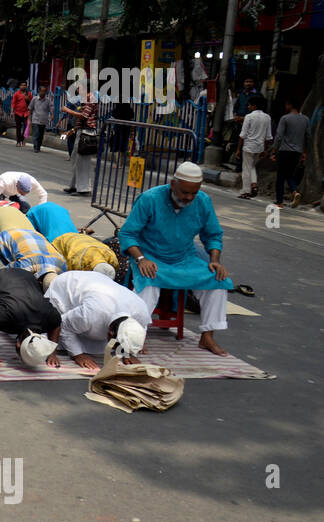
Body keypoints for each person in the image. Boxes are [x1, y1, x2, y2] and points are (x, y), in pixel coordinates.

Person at [119, 162, 235, 355]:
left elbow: (213, 235)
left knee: (218, 280)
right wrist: (141, 259)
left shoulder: (203, 201)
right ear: (173, 184)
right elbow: (127, 234)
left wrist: (215, 260)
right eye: (184, 193)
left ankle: (207, 336)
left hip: (184, 258)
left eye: (193, 194)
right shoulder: (150, 198)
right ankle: (136, 335)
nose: (189, 198)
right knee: (149, 280)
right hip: (150, 257)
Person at [44, 270, 151, 370]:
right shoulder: (91, 314)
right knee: (50, 337)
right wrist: (78, 355)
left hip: (98, 285)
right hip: (67, 286)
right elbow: (63, 324)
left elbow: (141, 328)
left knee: (102, 344)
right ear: (110, 332)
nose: (122, 352)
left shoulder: (141, 312)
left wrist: (128, 353)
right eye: (119, 347)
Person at [0, 268, 62, 368]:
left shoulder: (48, 317)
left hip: (25, 277)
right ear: (18, 345)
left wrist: (52, 353)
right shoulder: (3, 317)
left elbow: (56, 324)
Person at [269, 98, 309, 207]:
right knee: (289, 174)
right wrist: (304, 152)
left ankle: (280, 202)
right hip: (297, 152)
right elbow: (307, 137)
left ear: (289, 105)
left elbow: (279, 136)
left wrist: (274, 151)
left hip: (285, 151)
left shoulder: (285, 118)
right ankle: (295, 191)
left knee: (281, 176)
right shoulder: (306, 119)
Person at [0, 228, 67, 287]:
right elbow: (2, 273)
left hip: (33, 233)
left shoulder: (62, 265)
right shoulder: (27, 265)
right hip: (5, 236)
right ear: (40, 282)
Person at [60, 90, 99, 195]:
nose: (78, 91)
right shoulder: (85, 101)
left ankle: (83, 189)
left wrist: (67, 110)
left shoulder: (91, 100)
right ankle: (74, 186)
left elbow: (84, 116)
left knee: (82, 162)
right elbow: (81, 121)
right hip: (81, 132)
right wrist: (72, 131)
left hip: (86, 134)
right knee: (75, 160)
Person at [233, 94, 271, 199]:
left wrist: (238, 149)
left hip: (249, 146)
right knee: (252, 166)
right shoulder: (267, 117)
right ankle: (254, 185)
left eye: (249, 105)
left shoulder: (249, 117)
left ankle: (246, 191)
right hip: (259, 147)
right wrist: (265, 149)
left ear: (254, 106)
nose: (248, 107)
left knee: (246, 168)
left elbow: (242, 135)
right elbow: (268, 137)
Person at [30, 85, 53, 153]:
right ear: (39, 91)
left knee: (41, 135)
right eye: (42, 91)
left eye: (44, 91)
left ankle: (38, 146)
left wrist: (52, 115)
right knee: (36, 134)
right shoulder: (34, 99)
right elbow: (30, 108)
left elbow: (51, 108)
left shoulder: (48, 100)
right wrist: (29, 118)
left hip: (43, 120)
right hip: (35, 119)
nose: (43, 93)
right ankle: (35, 147)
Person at [11, 81, 32, 147]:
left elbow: (31, 103)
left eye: (25, 85)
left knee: (26, 126)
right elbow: (13, 103)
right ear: (19, 86)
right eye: (22, 85)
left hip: (26, 113)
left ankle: (22, 139)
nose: (23, 86)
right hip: (18, 112)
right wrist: (12, 111)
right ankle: (18, 141)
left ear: (26, 86)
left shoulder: (29, 94)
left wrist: (28, 99)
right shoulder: (17, 94)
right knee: (18, 128)